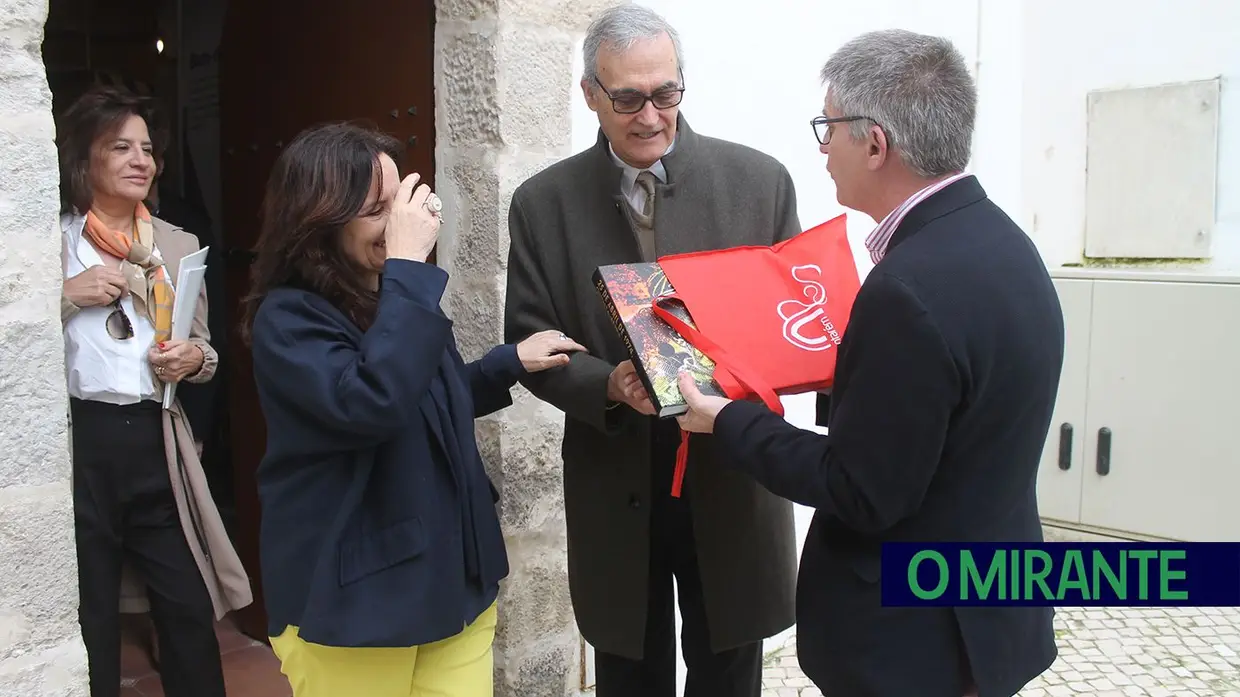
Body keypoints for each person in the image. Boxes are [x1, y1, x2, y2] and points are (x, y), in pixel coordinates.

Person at [675, 29, 1064, 697]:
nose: (823, 149)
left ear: (875, 143)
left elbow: (864, 489)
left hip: (911, 643)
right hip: (990, 612)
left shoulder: (905, 292)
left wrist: (729, 421)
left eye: (829, 128)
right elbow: (949, 418)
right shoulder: (1005, 243)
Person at [503, 6, 801, 696]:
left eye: (666, 94)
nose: (649, 116)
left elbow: (787, 325)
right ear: (589, 95)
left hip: (729, 470)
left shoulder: (761, 182)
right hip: (616, 473)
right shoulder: (542, 202)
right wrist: (609, 383)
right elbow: (530, 336)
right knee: (628, 673)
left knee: (730, 666)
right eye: (627, 98)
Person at [241, 123, 585, 697]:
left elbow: (427, 402)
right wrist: (406, 269)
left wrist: (508, 363)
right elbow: (371, 403)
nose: (404, 222)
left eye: (400, 202)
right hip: (357, 604)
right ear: (319, 221)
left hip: (452, 579)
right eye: (378, 209)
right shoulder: (290, 319)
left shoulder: (393, 296)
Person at [56, 85, 252, 697]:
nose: (142, 160)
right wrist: (65, 295)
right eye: (121, 147)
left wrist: (193, 358)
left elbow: (208, 352)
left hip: (156, 439)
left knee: (184, 602)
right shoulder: (48, 242)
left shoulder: (175, 244)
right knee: (90, 609)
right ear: (82, 160)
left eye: (147, 148)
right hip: (77, 442)